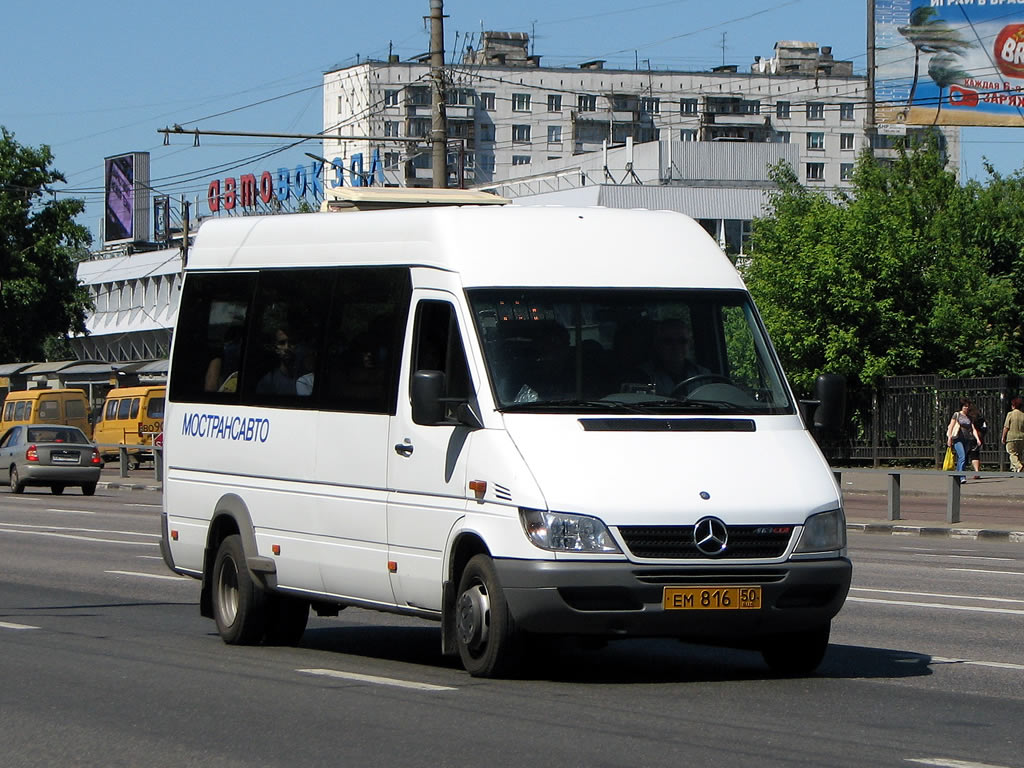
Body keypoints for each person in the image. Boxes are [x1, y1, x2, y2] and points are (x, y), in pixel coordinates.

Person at [641, 318, 710, 397]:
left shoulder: (704, 375)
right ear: (657, 344)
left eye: (682, 341)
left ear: (689, 344)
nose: (676, 347)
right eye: (668, 341)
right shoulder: (643, 376)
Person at [946, 398, 982, 484]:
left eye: (967, 406)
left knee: (962, 458)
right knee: (962, 456)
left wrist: (977, 439)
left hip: (967, 439)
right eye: (965, 406)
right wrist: (949, 438)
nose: (966, 408)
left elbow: (973, 429)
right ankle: (962, 476)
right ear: (961, 407)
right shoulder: (957, 415)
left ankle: (958, 475)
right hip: (958, 438)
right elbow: (951, 426)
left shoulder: (969, 417)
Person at [1001, 396, 1024, 473]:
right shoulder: (1023, 415)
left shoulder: (1010, 414)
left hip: (1011, 437)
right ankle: (1015, 470)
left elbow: (1006, 427)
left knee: (1012, 453)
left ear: (1013, 405)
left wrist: (1003, 437)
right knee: (1019, 453)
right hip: (1021, 437)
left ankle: (1018, 465)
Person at [967, 404, 988, 479]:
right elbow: (985, 428)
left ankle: (961, 471)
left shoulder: (968, 417)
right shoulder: (981, 418)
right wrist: (982, 435)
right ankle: (977, 471)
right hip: (978, 437)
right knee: (975, 454)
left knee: (965, 455)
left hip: (968, 437)